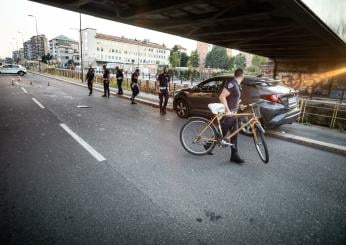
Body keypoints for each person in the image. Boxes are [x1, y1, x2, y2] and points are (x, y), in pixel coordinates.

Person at [218, 68, 245, 164]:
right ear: (242, 76)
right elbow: (222, 97)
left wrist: (239, 105)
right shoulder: (232, 84)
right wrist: (227, 111)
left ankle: (234, 155)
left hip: (233, 114)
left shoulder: (237, 86)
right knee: (221, 134)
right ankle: (208, 145)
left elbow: (233, 99)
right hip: (227, 115)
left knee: (234, 134)